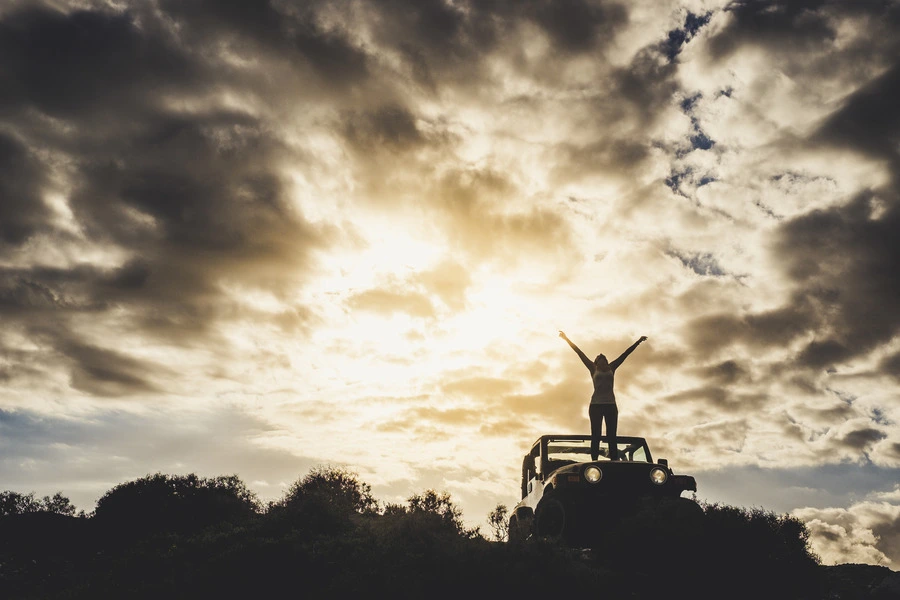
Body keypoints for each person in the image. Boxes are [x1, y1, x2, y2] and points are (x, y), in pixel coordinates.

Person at [558, 331, 647, 461]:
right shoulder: (593, 369)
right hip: (596, 406)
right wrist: (566, 339)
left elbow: (625, 354)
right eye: (600, 360)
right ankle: (594, 460)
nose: (603, 362)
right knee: (596, 435)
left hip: (611, 405)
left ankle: (614, 460)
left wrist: (638, 342)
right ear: (596, 362)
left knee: (612, 436)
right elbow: (579, 353)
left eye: (604, 360)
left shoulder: (612, 367)